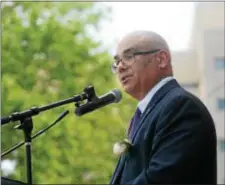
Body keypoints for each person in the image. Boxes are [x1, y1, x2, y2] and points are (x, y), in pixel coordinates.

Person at [109, 30, 217, 184]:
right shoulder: (147, 112)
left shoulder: (181, 106)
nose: (120, 67)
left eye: (129, 56)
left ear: (161, 59)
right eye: (117, 61)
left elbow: (161, 179)